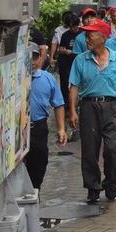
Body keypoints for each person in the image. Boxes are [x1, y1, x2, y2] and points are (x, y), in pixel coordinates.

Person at [67, 19, 116, 205]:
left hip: (113, 106)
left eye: (91, 34)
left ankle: (111, 182)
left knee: (111, 149)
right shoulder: (80, 60)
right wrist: (73, 111)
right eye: (86, 35)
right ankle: (93, 187)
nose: (86, 38)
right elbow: (73, 86)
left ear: (103, 37)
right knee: (89, 150)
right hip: (89, 107)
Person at [26, 44, 67, 190]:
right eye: (28, 57)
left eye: (35, 57)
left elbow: (58, 104)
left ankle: (35, 190)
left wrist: (61, 129)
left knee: (39, 162)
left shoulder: (48, 78)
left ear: (39, 59)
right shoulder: (14, 77)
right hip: (18, 128)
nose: (32, 61)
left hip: (38, 127)